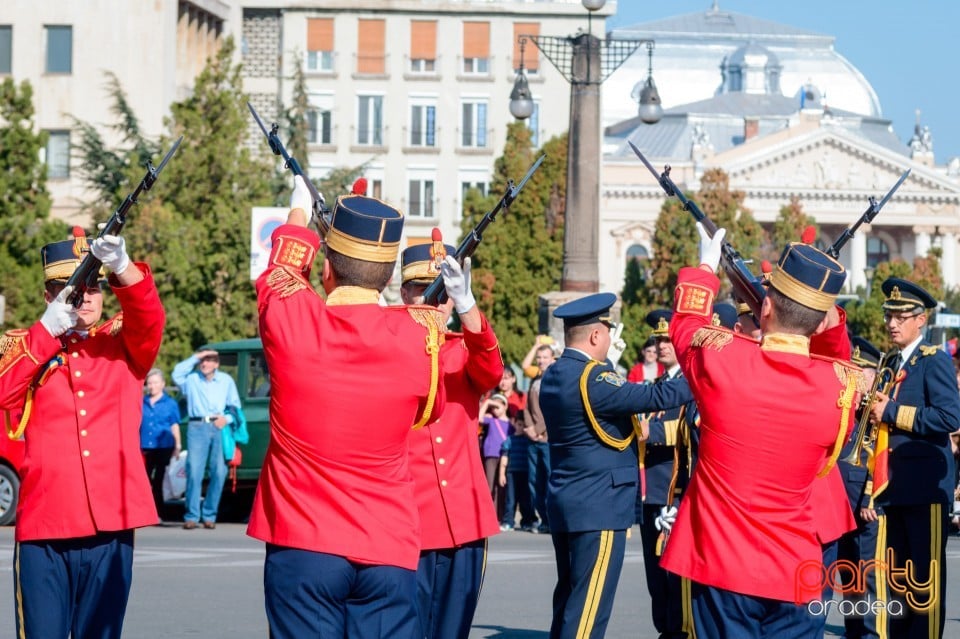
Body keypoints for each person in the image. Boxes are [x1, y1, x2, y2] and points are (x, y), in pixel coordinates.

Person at [247, 177, 453, 638]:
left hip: (304, 542)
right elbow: (429, 411)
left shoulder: (295, 321)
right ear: (386, 277)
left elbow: (279, 274)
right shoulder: (419, 336)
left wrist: (298, 212)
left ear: (326, 270)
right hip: (388, 546)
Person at [661, 224, 860, 638]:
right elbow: (830, 357)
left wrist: (704, 266)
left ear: (764, 308)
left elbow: (684, 327)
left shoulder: (724, 359)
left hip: (724, 565)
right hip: (800, 568)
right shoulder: (841, 385)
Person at [0, 227, 164, 638]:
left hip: (110, 527)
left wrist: (123, 268)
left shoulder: (121, 342)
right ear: (48, 295)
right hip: (45, 531)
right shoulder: (24, 345)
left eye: (93, 285)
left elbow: (149, 318)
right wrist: (45, 333)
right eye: (70, 287)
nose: (84, 295)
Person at [540, 292, 693, 639]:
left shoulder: (554, 374)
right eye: (606, 332)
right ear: (596, 336)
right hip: (599, 507)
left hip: (567, 501)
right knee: (588, 612)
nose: (609, 339)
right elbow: (659, 397)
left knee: (569, 601)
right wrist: (705, 369)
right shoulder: (594, 379)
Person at [398, 237, 504, 639]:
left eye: (442, 296)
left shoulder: (463, 350)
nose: (434, 305)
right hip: (410, 519)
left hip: (464, 516)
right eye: (424, 292)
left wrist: (467, 304)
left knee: (453, 631)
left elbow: (491, 372)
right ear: (405, 294)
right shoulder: (389, 349)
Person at [867, 277, 960, 638]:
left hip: (924, 489)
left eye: (901, 316)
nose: (892, 323)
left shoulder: (932, 360)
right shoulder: (889, 361)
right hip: (894, 487)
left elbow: (950, 417)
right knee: (899, 581)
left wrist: (892, 411)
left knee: (925, 581)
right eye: (889, 315)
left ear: (921, 320)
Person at [635, 308, 695, 639]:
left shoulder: (689, 384)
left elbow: (686, 431)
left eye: (667, 339)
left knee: (674, 575)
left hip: (673, 489)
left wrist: (652, 431)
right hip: (651, 491)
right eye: (658, 340)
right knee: (654, 576)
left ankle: (677, 631)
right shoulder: (657, 384)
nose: (661, 345)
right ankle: (665, 630)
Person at [833, 336, 883, 639]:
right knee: (847, 575)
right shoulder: (842, 404)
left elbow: (882, 457)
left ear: (874, 375)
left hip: (864, 505)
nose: (856, 376)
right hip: (837, 500)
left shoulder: (877, 410)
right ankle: (853, 633)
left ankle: (870, 634)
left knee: (868, 577)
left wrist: (870, 498)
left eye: (862, 371)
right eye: (852, 368)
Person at [172, 348, 241, 530]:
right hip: (197, 426)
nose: (205, 363)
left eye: (209, 360)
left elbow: (235, 407)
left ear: (216, 364)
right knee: (194, 471)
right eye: (203, 360)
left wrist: (226, 419)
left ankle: (209, 514)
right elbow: (176, 373)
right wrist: (195, 356)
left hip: (219, 427)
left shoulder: (225, 380)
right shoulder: (192, 379)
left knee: (219, 471)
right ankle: (192, 516)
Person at [523, 337, 556, 533]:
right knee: (535, 481)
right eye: (539, 357)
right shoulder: (535, 378)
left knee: (551, 480)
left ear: (552, 359)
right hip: (532, 439)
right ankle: (543, 519)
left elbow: (552, 409)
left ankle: (552, 520)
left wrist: (538, 430)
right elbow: (528, 407)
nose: (541, 360)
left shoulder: (553, 379)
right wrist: (529, 428)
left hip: (547, 439)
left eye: (545, 357)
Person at [140, 367, 182, 515]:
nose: (152, 386)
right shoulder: (141, 402)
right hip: (144, 445)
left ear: (163, 384)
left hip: (164, 446)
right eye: (149, 383)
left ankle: (158, 510)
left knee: (159, 479)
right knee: (143, 478)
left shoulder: (170, 403)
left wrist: (177, 445)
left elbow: (174, 424)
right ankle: (144, 509)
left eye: (155, 382)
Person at [480, 393, 512, 511]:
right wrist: (488, 403)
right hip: (491, 454)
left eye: (497, 406)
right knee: (489, 484)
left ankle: (499, 514)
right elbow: (479, 418)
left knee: (502, 486)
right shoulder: (491, 419)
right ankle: (489, 513)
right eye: (493, 407)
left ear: (505, 406)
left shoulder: (511, 424)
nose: (495, 409)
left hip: (505, 456)